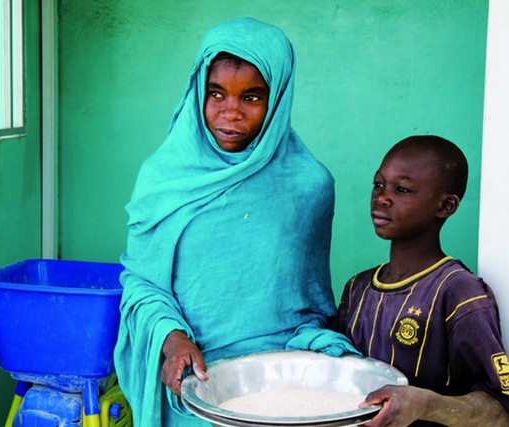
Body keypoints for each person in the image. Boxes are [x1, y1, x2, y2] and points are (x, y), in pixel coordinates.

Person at [114, 17, 357, 427]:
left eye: (252, 97)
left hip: (279, 380)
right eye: (216, 93)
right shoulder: (163, 178)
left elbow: (309, 301)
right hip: (195, 379)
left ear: (277, 98)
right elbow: (141, 282)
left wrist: (318, 351)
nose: (231, 113)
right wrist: (173, 340)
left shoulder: (310, 186)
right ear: (198, 92)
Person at [337, 135, 509, 427]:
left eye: (402, 189)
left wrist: (425, 404)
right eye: (378, 184)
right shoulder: (357, 288)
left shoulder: (459, 292)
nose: (382, 197)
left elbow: (500, 411)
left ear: (445, 206)